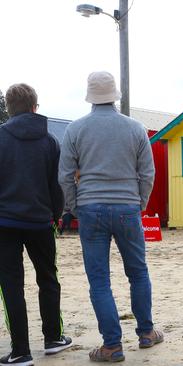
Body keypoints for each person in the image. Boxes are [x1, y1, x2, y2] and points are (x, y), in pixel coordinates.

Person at [58, 71, 161, 362]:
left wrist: (75, 207)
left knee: (99, 280)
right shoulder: (135, 128)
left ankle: (112, 345)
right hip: (127, 207)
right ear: (114, 95)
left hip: (91, 207)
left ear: (90, 97)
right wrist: (138, 203)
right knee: (138, 272)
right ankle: (146, 332)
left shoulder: (75, 130)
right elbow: (147, 173)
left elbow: (65, 175)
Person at [0, 83, 73, 366]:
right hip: (41, 221)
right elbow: (58, 185)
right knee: (48, 278)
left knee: (11, 285)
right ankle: (53, 337)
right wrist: (56, 214)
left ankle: (21, 351)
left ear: (8, 107)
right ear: (34, 107)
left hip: (5, 222)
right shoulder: (50, 141)